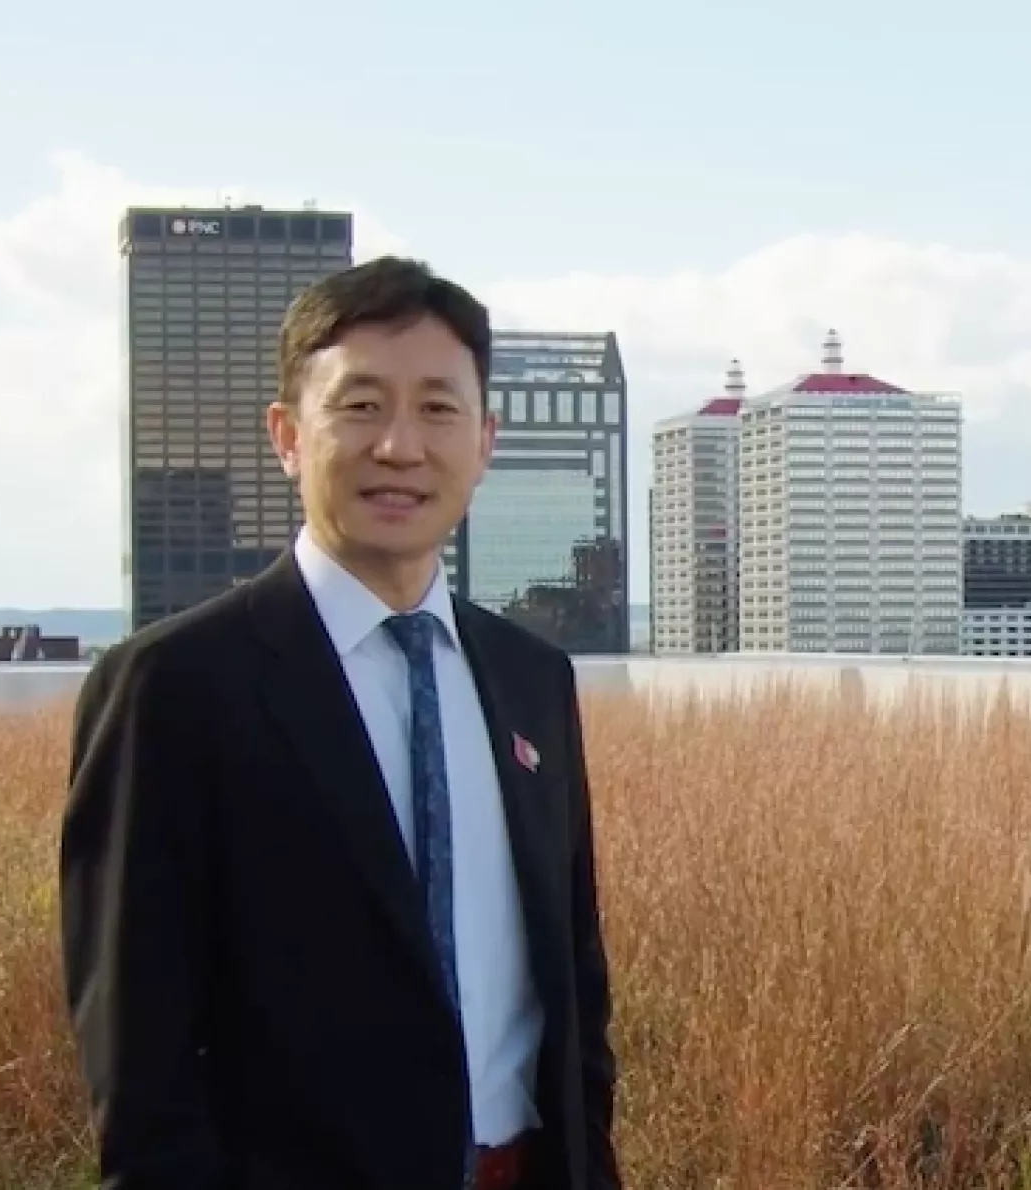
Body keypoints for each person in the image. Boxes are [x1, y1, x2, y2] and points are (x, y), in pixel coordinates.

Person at [60, 256, 620, 1190]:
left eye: (438, 409)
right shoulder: (175, 688)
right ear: (287, 436)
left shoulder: (532, 680)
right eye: (360, 406)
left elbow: (572, 990)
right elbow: (137, 1056)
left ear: (484, 441)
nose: (400, 447)